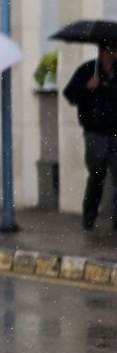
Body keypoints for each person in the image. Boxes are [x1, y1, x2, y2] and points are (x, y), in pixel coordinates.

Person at [62, 46, 117, 230]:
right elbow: (69, 94)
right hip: (95, 133)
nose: (113, 55)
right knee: (96, 175)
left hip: (115, 131)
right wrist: (87, 87)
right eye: (110, 51)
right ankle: (89, 217)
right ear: (102, 52)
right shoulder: (88, 70)